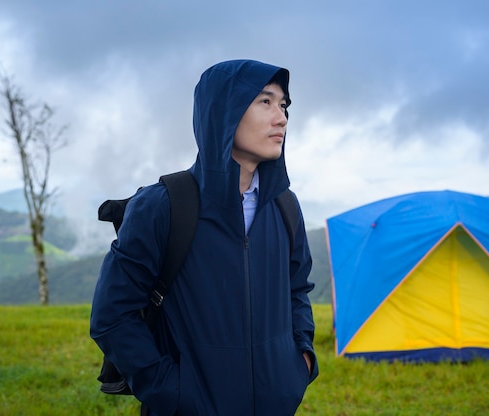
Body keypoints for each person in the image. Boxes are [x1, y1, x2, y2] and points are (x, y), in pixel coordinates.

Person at [90, 59, 318, 415]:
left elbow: (297, 289)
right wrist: (172, 391)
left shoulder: (284, 206)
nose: (281, 118)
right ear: (223, 111)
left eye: (284, 104)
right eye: (265, 101)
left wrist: (298, 364)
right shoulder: (162, 206)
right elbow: (112, 315)